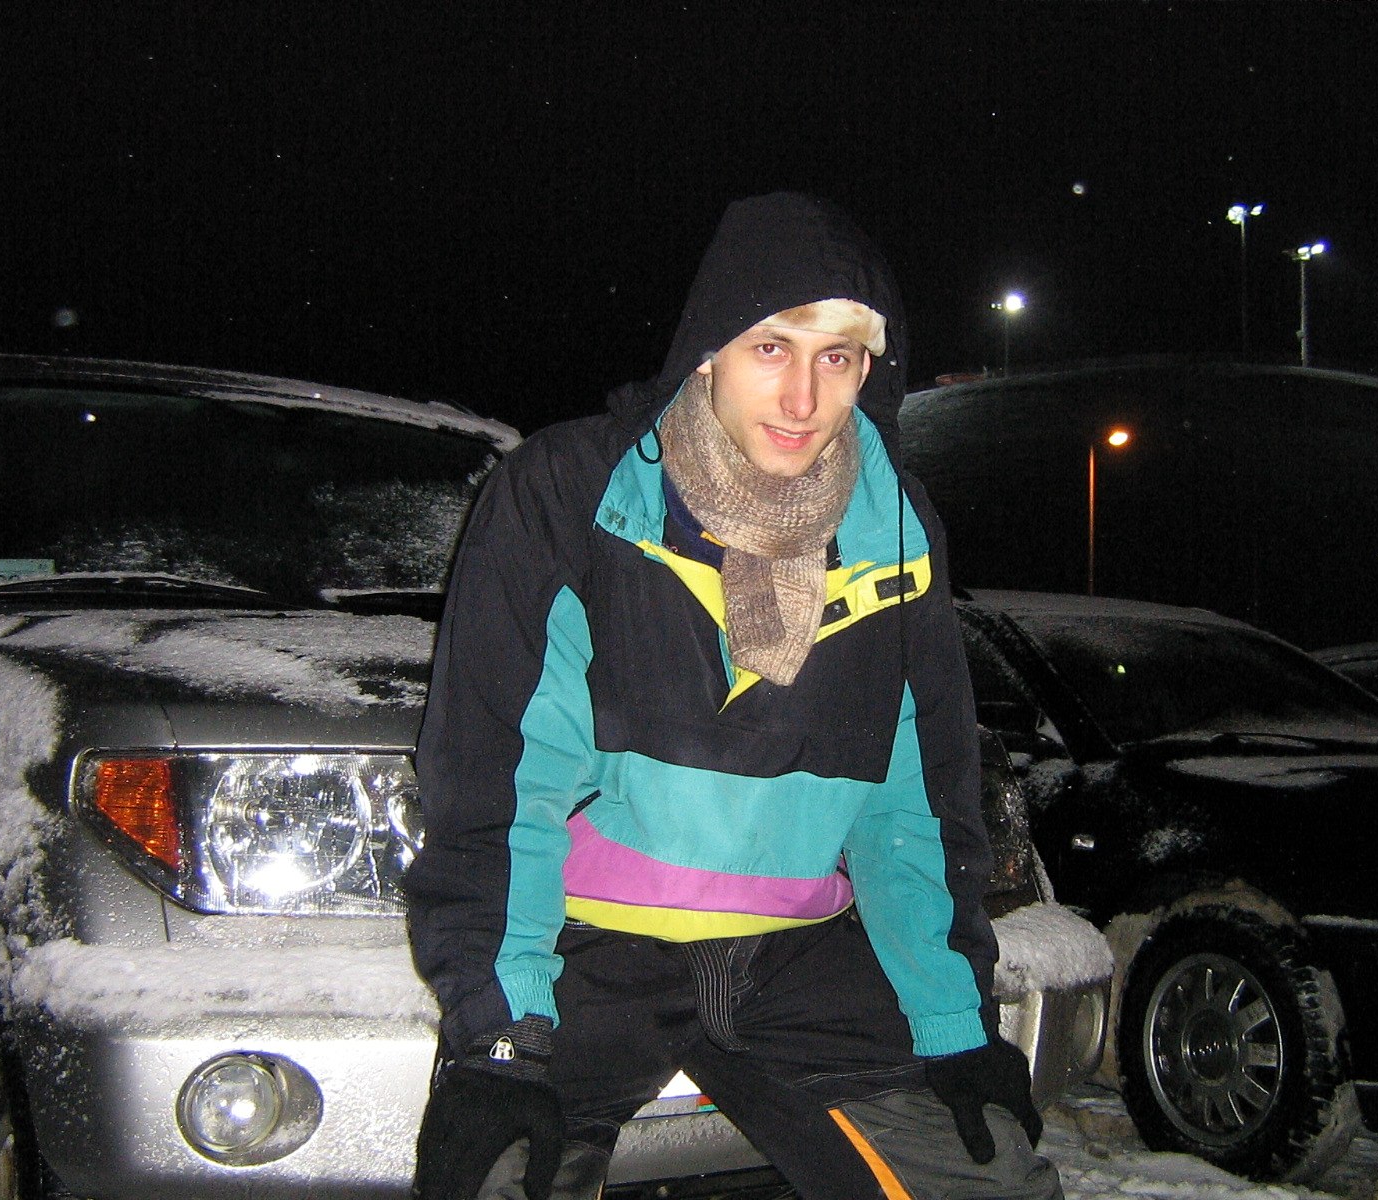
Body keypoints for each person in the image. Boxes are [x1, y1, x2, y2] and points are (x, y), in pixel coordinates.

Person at [406, 192, 1064, 1200]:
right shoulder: (570, 494)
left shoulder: (894, 526)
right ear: (709, 350)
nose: (802, 396)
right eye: (770, 347)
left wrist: (953, 1027)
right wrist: (499, 1039)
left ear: (870, 370)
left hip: (794, 954)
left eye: (836, 356)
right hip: (587, 948)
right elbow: (499, 787)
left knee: (989, 1178)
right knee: (494, 1174)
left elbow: (914, 803)